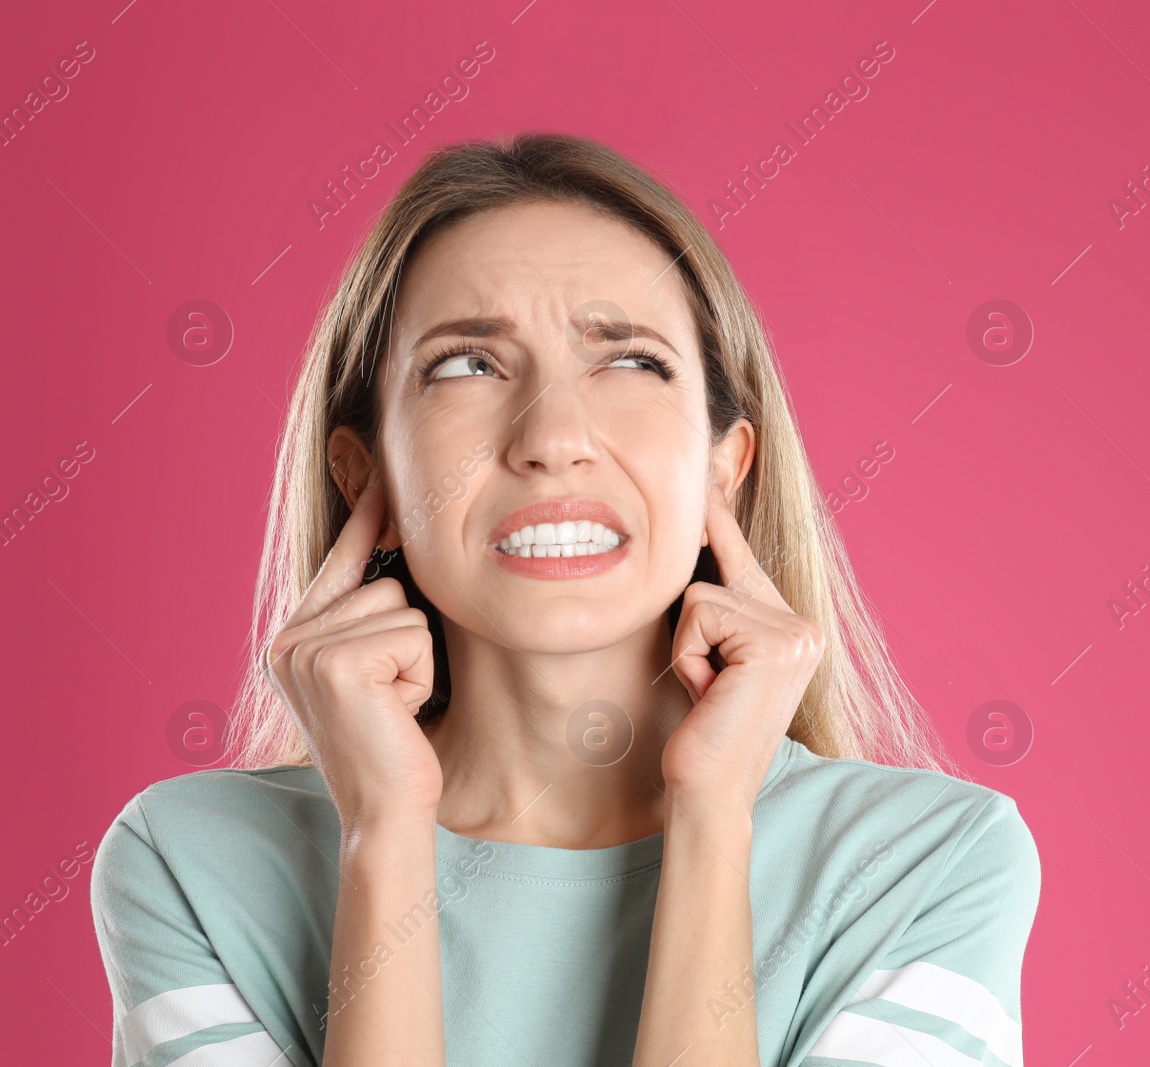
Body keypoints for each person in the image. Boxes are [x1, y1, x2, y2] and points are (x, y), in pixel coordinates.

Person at [89, 132, 1041, 1067]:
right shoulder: (190, 864)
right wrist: (383, 831)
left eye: (629, 360)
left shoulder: (930, 866)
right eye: (468, 363)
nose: (552, 436)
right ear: (363, 471)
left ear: (726, 467)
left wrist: (713, 818)